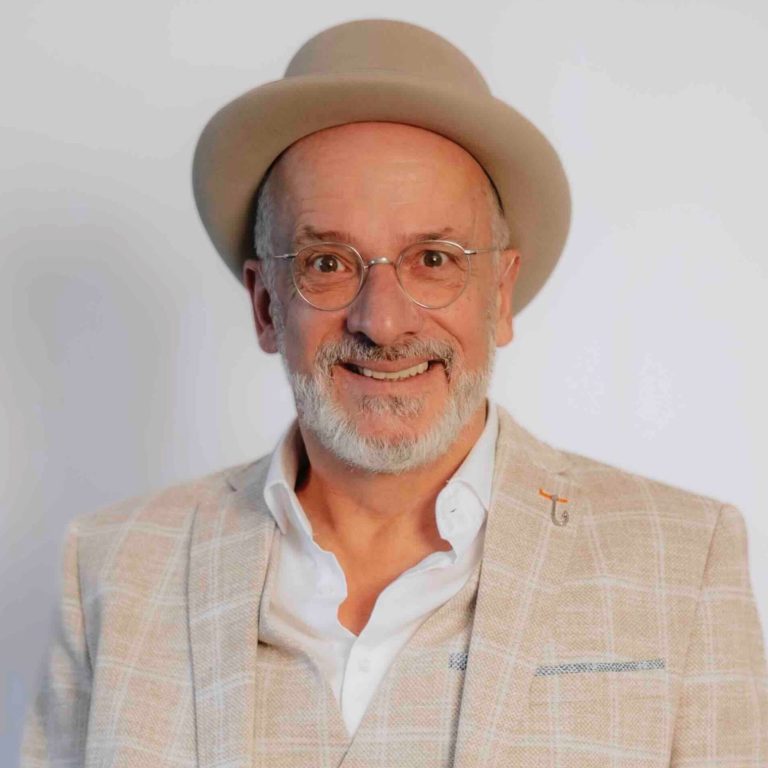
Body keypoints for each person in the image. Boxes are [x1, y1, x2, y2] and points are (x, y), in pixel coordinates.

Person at [21, 18, 766, 767]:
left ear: (499, 294)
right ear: (266, 305)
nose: (382, 322)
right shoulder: (112, 571)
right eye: (327, 263)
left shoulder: (682, 562)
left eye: (433, 259)